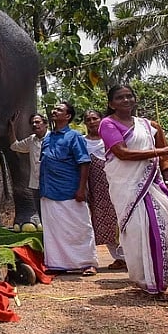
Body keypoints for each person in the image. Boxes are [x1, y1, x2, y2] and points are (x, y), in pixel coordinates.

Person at [99, 84, 168, 300]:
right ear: (111, 103)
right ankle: (150, 282)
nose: (126, 100)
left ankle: (164, 276)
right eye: (120, 97)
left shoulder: (148, 125)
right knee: (140, 231)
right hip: (128, 187)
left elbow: (165, 159)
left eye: (129, 96)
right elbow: (122, 153)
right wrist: (162, 150)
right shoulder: (107, 124)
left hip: (153, 185)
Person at [39, 102, 98, 276]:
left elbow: (84, 163)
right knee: (54, 230)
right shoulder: (48, 138)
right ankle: (58, 264)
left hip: (70, 190)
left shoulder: (74, 137)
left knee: (80, 228)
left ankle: (88, 263)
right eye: (54, 109)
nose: (54, 111)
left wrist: (81, 189)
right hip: (49, 191)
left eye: (59, 110)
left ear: (68, 116)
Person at [83, 109, 126, 270]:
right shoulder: (82, 141)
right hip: (96, 187)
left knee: (121, 219)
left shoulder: (110, 138)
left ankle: (130, 256)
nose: (92, 122)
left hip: (116, 183)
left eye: (95, 118)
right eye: (88, 119)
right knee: (102, 222)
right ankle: (119, 258)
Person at [9, 112, 48, 227]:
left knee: (53, 212)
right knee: (41, 213)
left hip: (52, 183)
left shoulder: (53, 138)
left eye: (38, 122)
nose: (35, 125)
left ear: (45, 124)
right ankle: (47, 239)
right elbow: (14, 146)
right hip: (35, 184)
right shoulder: (31, 140)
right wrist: (12, 127)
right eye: (32, 123)